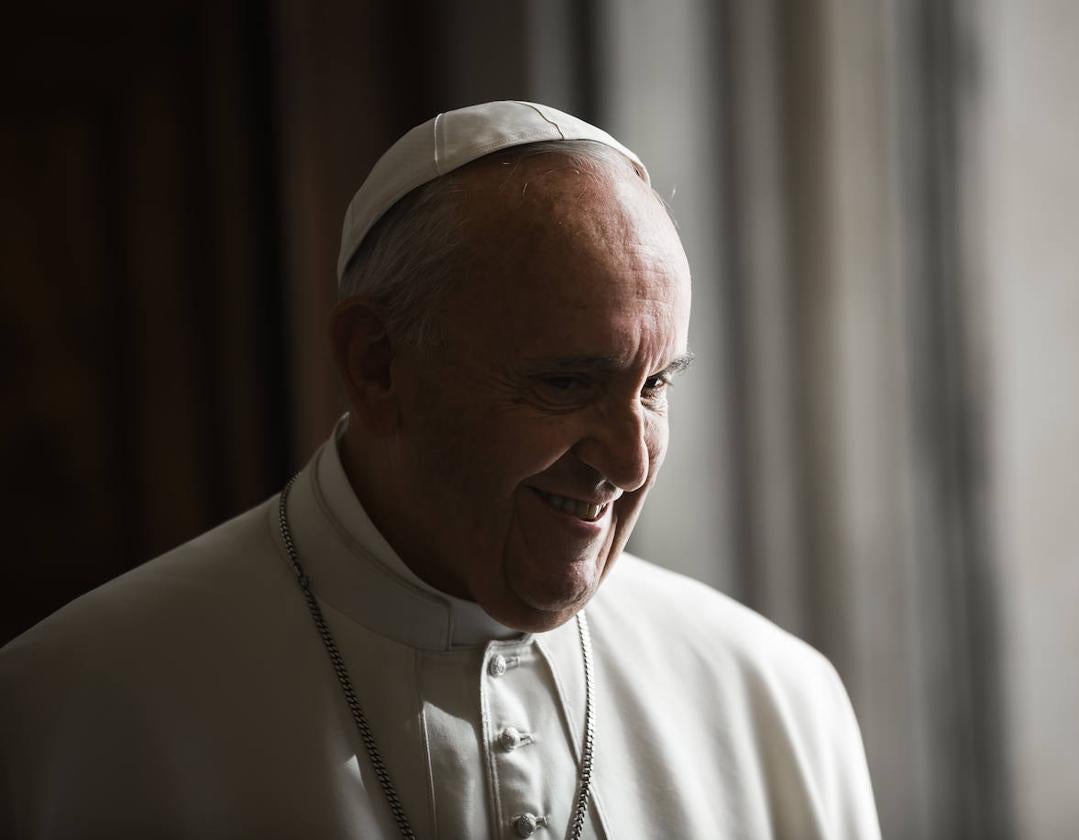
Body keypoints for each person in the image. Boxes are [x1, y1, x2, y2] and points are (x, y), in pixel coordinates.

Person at [0, 101, 880, 839]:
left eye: (656, 385)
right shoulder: (74, 715)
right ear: (378, 364)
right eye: (568, 382)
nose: (630, 459)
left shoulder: (776, 701)